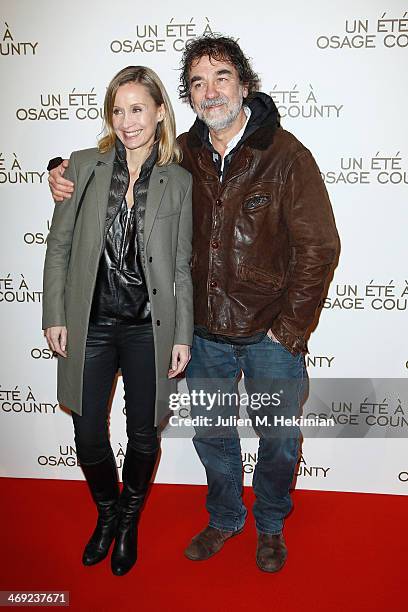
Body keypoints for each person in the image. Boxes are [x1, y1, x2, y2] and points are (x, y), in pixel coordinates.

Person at [48, 35, 340, 573]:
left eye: (221, 77)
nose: (210, 92)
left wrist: (289, 330)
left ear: (243, 84)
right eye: (198, 83)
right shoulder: (182, 154)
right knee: (212, 434)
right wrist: (58, 171)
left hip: (268, 333)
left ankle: (271, 524)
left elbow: (319, 246)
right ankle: (226, 516)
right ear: (186, 97)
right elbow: (115, 160)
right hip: (203, 334)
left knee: (277, 440)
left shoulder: (287, 155)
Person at [43, 65, 193, 577]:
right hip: (92, 323)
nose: (127, 121)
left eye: (137, 109)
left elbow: (180, 266)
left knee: (144, 432)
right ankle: (107, 512)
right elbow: (59, 244)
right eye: (118, 109)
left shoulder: (179, 180)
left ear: (158, 113)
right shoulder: (82, 166)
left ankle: (128, 520)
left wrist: (183, 333)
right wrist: (55, 313)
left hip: (149, 326)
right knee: (88, 436)